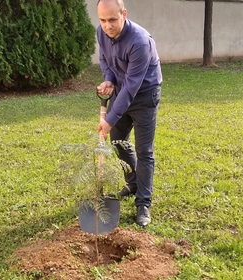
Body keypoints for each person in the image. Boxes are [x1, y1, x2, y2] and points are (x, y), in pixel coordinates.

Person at [95, 0, 162, 226]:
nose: (107, 26)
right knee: (118, 142)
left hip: (144, 95)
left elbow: (133, 86)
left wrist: (109, 120)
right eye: (102, 20)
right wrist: (109, 79)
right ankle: (133, 183)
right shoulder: (101, 33)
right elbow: (105, 59)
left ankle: (143, 203)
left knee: (145, 151)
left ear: (124, 14)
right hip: (122, 90)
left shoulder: (139, 42)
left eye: (112, 19)